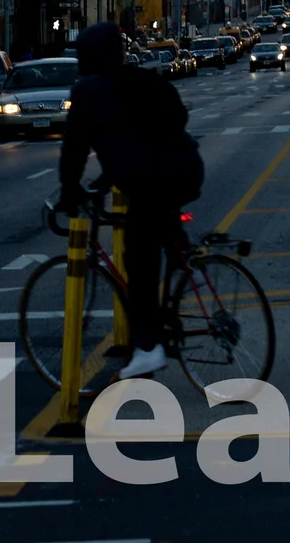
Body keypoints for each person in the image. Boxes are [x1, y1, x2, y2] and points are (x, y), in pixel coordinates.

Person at [56, 21, 204, 379]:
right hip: (188, 167)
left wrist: (70, 191)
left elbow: (74, 150)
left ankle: (147, 347)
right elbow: (173, 119)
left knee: (138, 258)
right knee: (157, 221)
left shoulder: (87, 91)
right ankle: (189, 264)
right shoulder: (141, 80)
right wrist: (109, 178)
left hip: (152, 180)